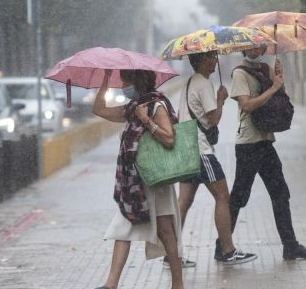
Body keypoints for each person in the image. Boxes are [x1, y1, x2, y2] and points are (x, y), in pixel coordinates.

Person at [228, 45, 306, 260]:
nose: (254, 50)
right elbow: (247, 106)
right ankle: (222, 245)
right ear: (244, 48)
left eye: (258, 46)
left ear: (263, 46)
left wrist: (278, 78)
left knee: (280, 193)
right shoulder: (239, 73)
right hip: (248, 144)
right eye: (249, 47)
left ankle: (290, 246)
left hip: (265, 142)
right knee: (239, 197)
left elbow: (279, 98)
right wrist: (272, 88)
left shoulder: (264, 68)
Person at [92, 69, 184, 289]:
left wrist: (146, 121)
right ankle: (111, 284)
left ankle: (178, 284)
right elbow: (98, 109)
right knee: (123, 225)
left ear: (137, 81)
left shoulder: (156, 105)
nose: (123, 87)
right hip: (135, 183)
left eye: (125, 81)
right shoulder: (133, 108)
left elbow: (170, 139)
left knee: (165, 231)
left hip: (156, 179)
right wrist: (104, 80)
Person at [176, 51, 257, 265]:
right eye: (211, 57)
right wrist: (221, 100)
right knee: (223, 197)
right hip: (201, 151)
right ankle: (227, 250)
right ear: (200, 60)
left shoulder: (189, 83)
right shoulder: (203, 83)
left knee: (183, 202)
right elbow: (213, 119)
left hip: (186, 149)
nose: (215, 60)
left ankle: (171, 253)